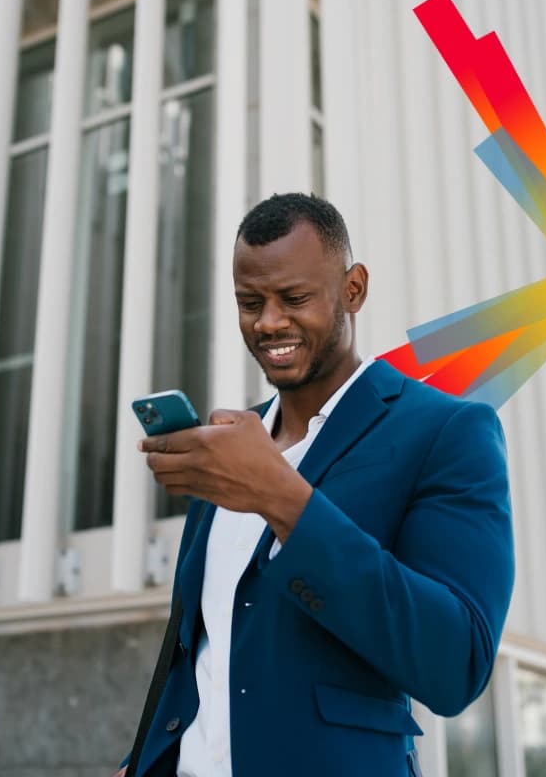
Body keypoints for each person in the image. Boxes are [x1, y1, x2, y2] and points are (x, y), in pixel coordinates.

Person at [113, 193, 514, 776]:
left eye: (294, 298)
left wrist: (280, 496)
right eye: (250, 302)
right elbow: (202, 651)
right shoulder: (233, 446)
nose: (268, 322)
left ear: (353, 289)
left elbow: (457, 665)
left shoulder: (447, 433)